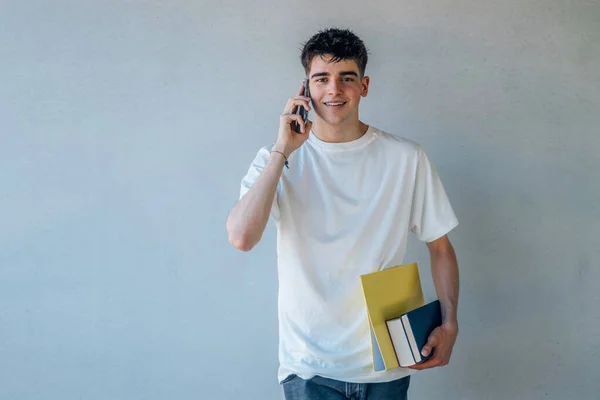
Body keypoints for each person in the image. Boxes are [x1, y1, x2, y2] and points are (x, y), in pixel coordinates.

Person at [226, 28, 460, 400]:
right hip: (308, 368)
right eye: (322, 79)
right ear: (305, 89)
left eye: (346, 79)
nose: (334, 90)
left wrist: (450, 323)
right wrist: (282, 151)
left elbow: (441, 247)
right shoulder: (277, 159)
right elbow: (241, 237)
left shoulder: (405, 158)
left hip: (387, 364)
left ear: (363, 86)